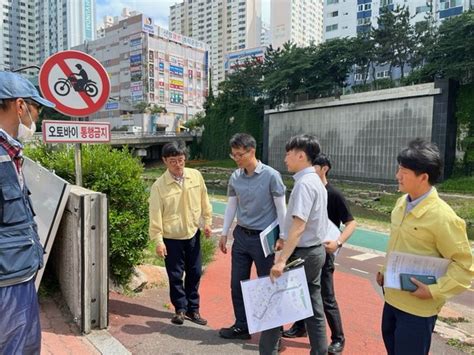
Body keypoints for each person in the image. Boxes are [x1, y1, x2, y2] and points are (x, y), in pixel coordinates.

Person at [376, 138, 473, 355]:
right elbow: (398, 245)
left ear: (423, 177)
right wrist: (384, 271)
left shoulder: (443, 217)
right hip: (391, 299)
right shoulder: (402, 203)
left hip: (418, 310)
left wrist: (433, 290)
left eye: (403, 171)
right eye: (398, 169)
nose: (397, 176)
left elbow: (464, 267)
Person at [0, 71, 55, 353]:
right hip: (7, 281)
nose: (36, 119)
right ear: (19, 106)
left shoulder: (10, 154)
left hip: (17, 272)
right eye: (36, 110)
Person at [260, 134, 328, 355]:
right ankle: (319, 350)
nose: (285, 158)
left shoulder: (304, 185)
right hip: (315, 251)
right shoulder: (315, 181)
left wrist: (280, 261)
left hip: (302, 254)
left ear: (301, 155)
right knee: (313, 307)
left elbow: (298, 227)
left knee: (274, 305)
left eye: (288, 154)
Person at [282, 154, 357, 354]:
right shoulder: (308, 187)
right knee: (303, 290)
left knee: (326, 296)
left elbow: (352, 223)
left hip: (324, 250)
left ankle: (338, 338)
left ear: (324, 168)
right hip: (305, 250)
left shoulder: (332, 194)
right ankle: (300, 327)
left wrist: (338, 242)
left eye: (314, 166)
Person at [219, 133, 286, 340]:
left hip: (264, 239)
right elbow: (232, 205)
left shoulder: (271, 175)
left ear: (252, 151)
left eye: (240, 155)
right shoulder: (235, 176)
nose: (237, 159)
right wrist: (224, 233)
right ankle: (242, 325)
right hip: (241, 237)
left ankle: (275, 331)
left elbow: (281, 208)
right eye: (234, 155)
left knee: (269, 283)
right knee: (237, 282)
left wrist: (283, 236)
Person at [149, 141, 212, 326]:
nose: (178, 165)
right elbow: (155, 216)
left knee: (195, 272)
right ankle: (180, 309)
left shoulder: (196, 176)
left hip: (192, 234)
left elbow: (204, 201)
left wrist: (207, 222)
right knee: (175, 275)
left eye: (181, 160)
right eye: (173, 161)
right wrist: (158, 241)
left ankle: (194, 309)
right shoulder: (159, 186)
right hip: (171, 238)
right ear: (164, 161)